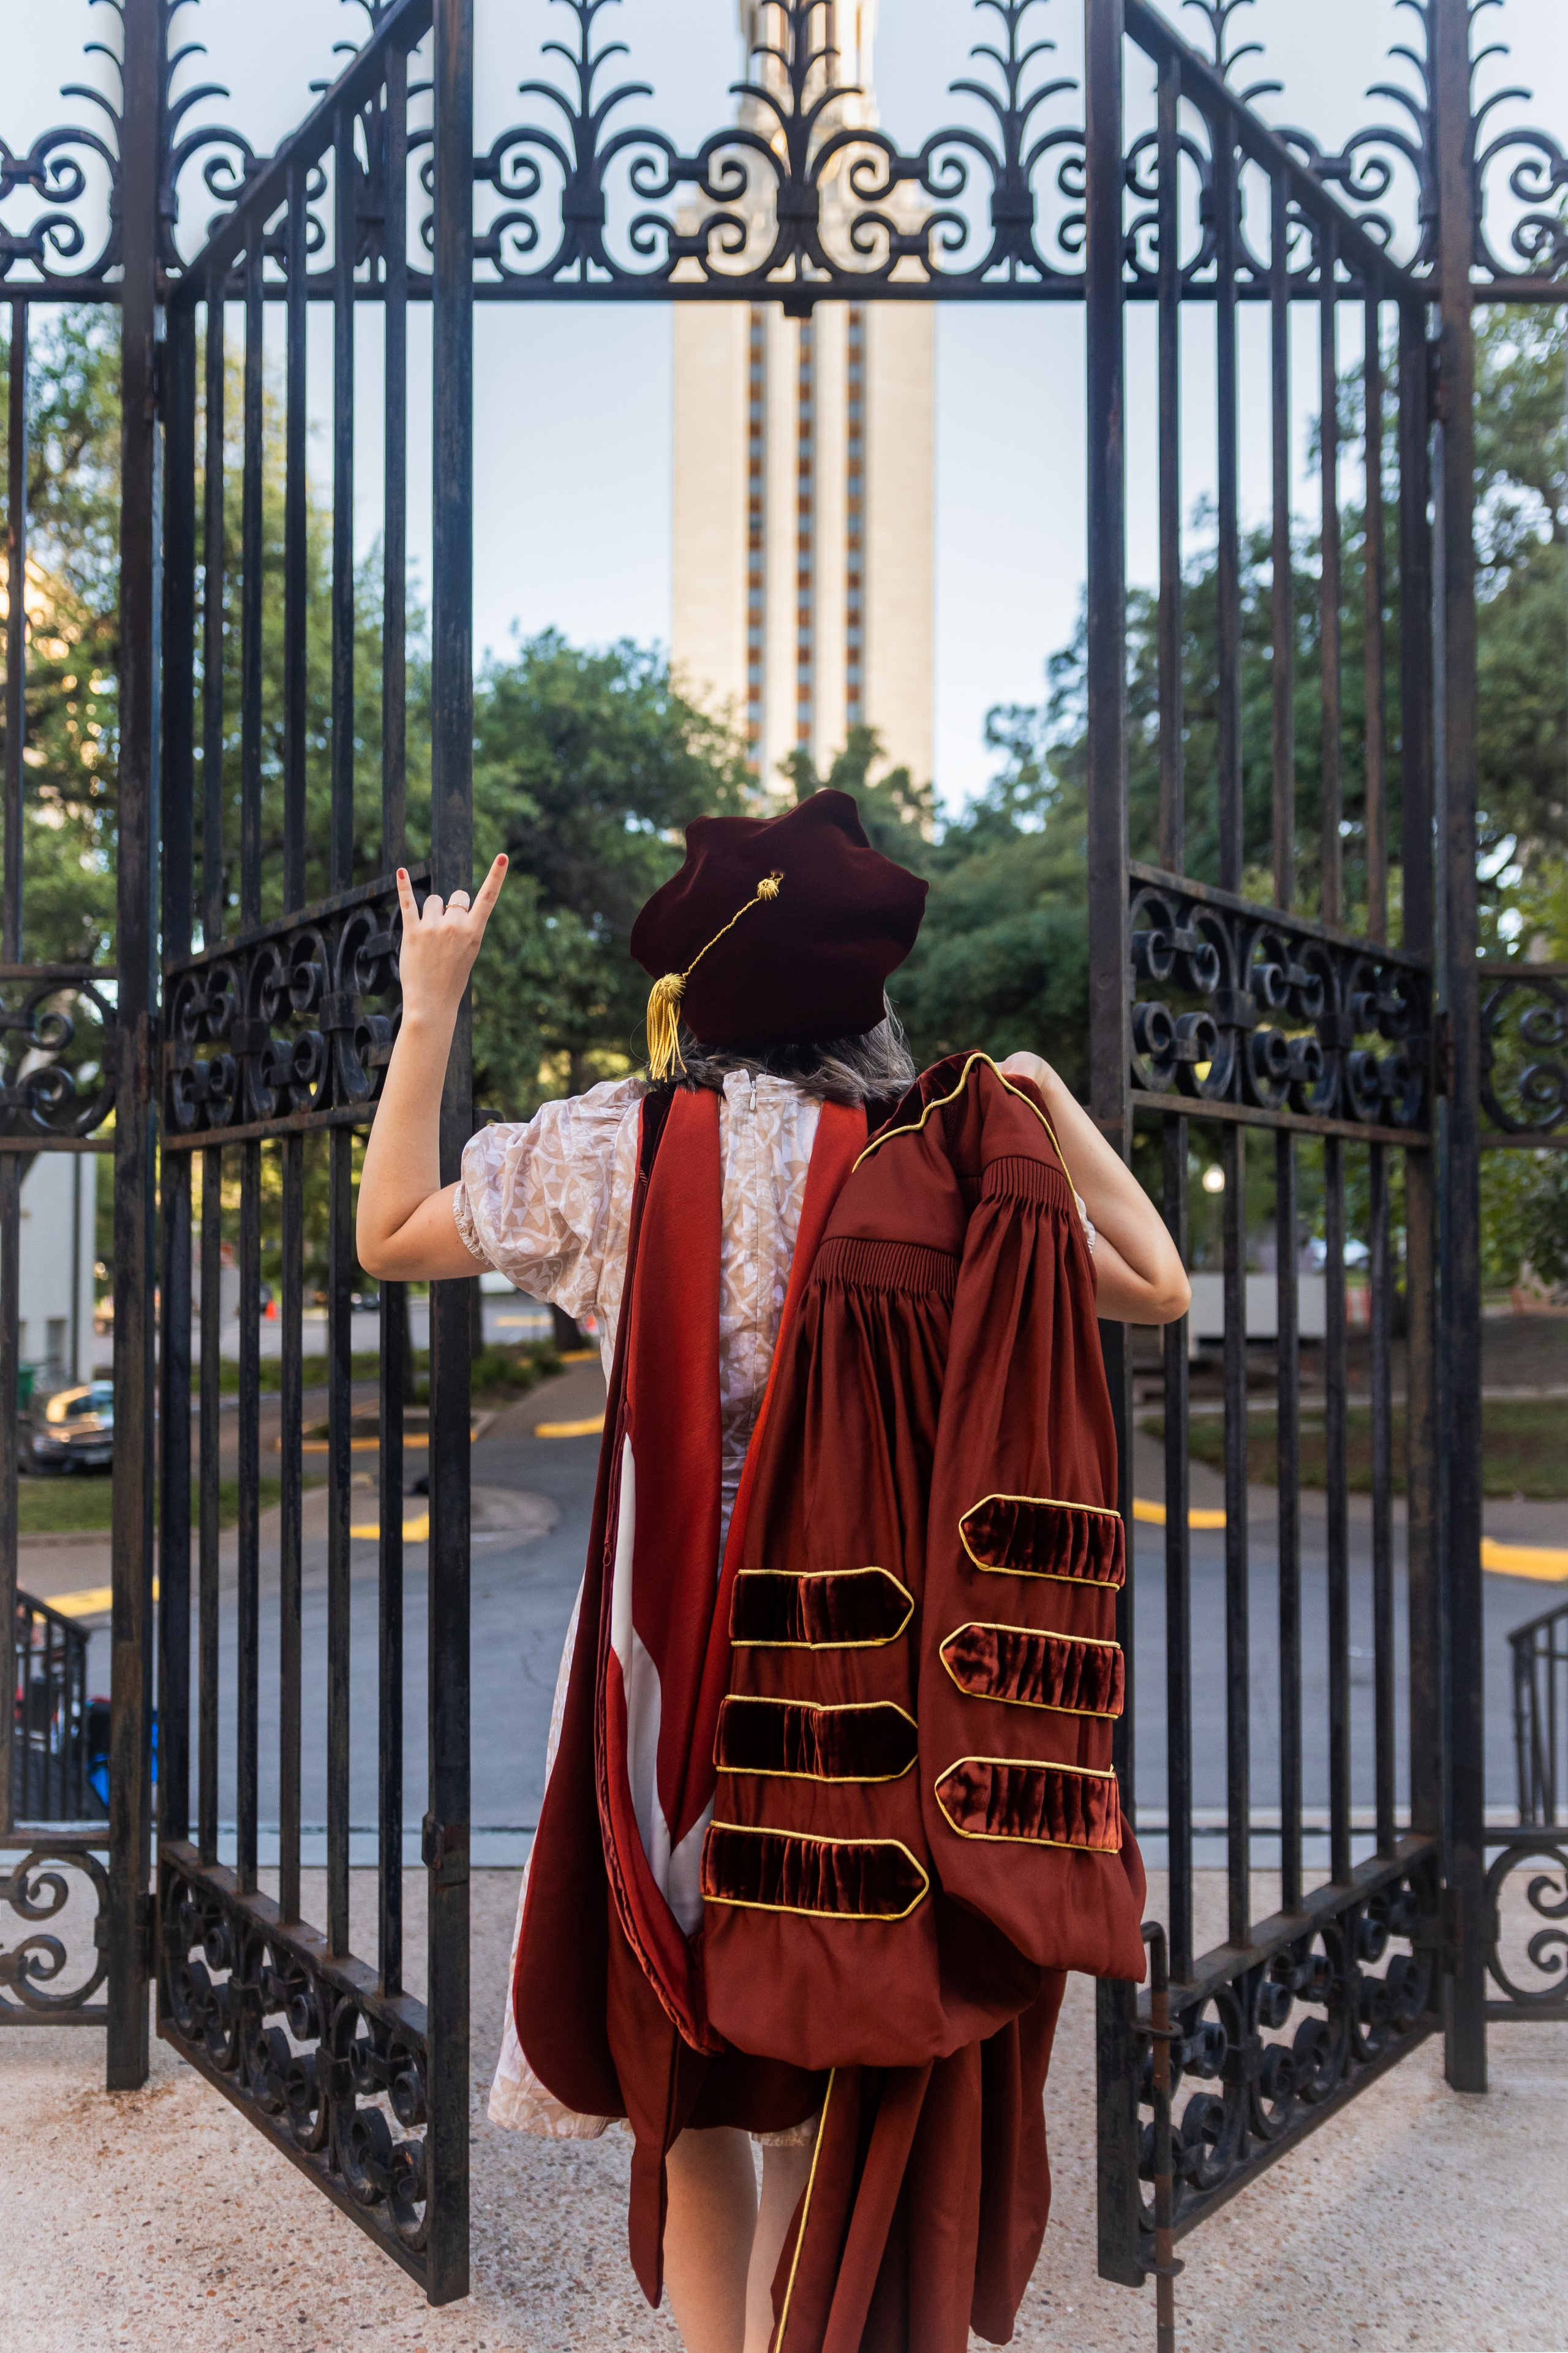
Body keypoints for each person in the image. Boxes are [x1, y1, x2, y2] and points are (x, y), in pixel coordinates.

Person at [357, 793, 1190, 2353]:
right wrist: (1047, 1096)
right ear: (864, 999)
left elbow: (391, 1228)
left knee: (687, 2085)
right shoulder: (937, 1161)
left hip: (659, 1670)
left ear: (700, 1000)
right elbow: (1153, 1282)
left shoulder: (615, 1147)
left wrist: (431, 1002)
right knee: (811, 2056)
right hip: (852, 1682)